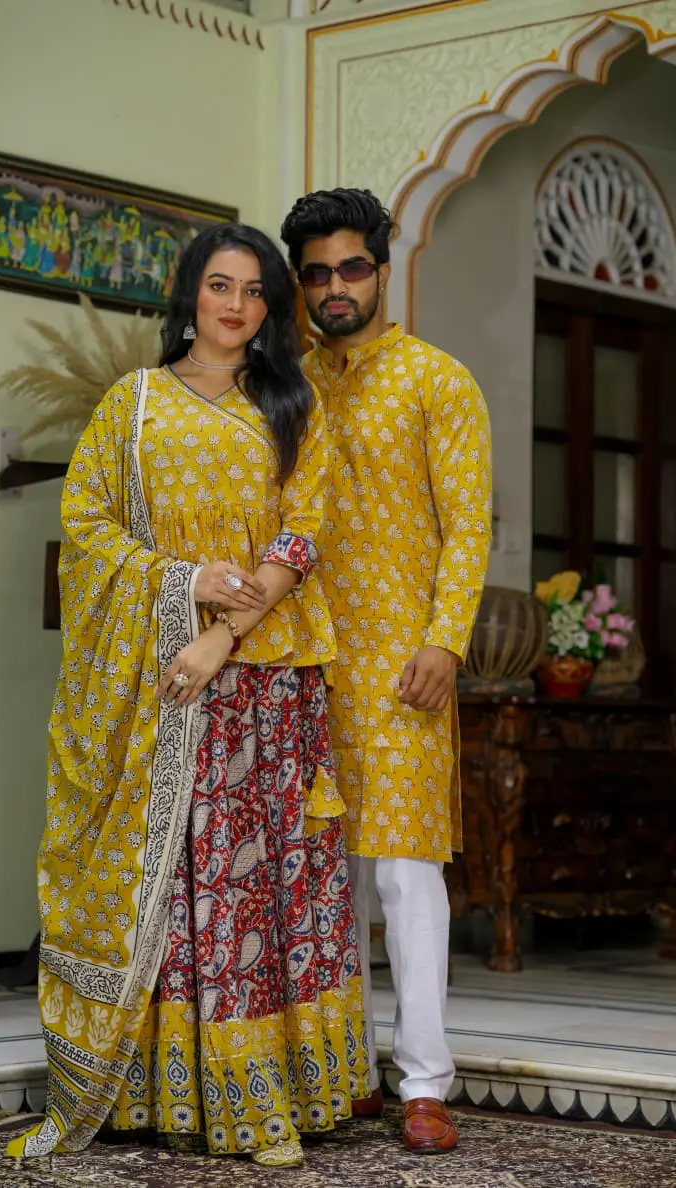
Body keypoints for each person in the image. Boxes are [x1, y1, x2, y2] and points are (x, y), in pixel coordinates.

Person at [8, 222, 369, 1168]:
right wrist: (184, 584)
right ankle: (154, 1092)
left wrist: (221, 632)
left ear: (271, 307)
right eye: (220, 285)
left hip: (266, 682)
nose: (236, 306)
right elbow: (88, 526)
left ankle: (264, 1101)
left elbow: (300, 536)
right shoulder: (131, 406)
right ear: (191, 293)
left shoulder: (291, 403)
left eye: (254, 291)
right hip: (161, 686)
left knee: (258, 887)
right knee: (176, 883)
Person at [280, 189, 492, 1155]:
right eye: (317, 273)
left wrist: (446, 642)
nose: (336, 287)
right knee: (325, 878)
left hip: (407, 665)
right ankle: (340, 1071)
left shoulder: (438, 380)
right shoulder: (287, 386)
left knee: (406, 874)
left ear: (382, 268)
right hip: (302, 661)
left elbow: (467, 526)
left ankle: (424, 1083)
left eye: (351, 267)